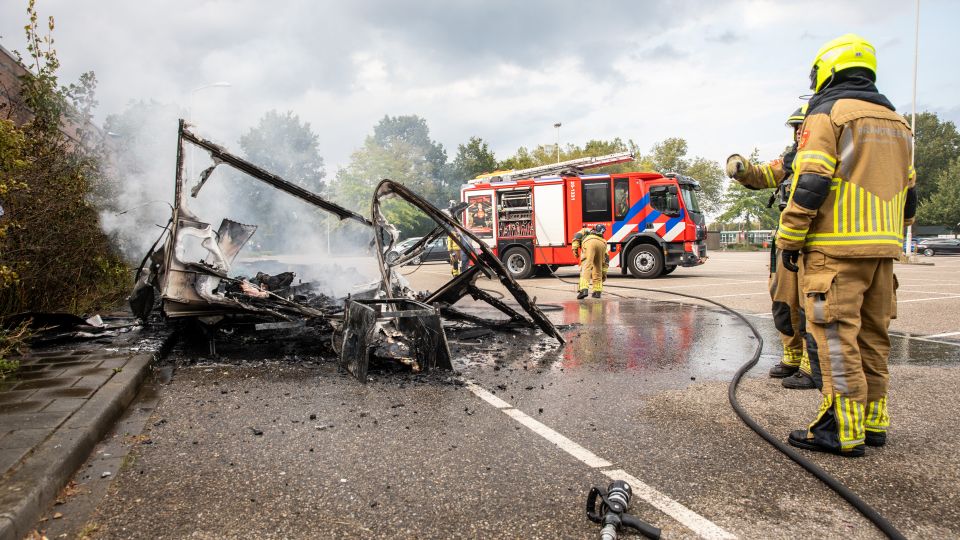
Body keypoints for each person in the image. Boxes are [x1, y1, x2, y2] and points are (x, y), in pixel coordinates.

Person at [777, 34, 916, 456]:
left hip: (834, 252)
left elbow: (812, 181)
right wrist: (892, 233)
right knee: (874, 337)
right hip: (883, 252)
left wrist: (790, 237)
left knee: (836, 339)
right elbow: (909, 197)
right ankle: (874, 422)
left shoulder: (827, 115)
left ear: (828, 70)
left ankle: (841, 429)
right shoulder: (900, 124)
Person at [726, 105, 815, 390]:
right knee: (783, 301)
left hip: (815, 242)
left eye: (802, 126)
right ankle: (792, 355)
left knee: (813, 305)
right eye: (795, 128)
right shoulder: (791, 159)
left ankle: (812, 365)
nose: (799, 132)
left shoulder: (828, 156)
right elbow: (763, 175)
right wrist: (740, 166)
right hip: (788, 239)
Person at [572, 224, 607, 299]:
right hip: (602, 244)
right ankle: (597, 292)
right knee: (598, 269)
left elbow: (577, 237)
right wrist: (604, 273)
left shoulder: (585, 230)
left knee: (586, 267)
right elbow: (606, 258)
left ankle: (583, 290)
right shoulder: (603, 239)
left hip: (589, 242)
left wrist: (575, 249)